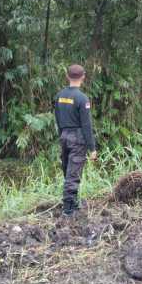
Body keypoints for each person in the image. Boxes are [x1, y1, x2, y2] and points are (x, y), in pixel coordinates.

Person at [53, 64, 97, 216]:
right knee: (73, 174)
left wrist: (61, 135)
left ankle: (73, 203)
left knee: (67, 171)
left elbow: (57, 118)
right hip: (77, 138)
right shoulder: (82, 98)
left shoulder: (60, 95)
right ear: (83, 77)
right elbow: (86, 125)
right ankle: (68, 210)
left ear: (67, 76)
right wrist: (92, 148)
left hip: (64, 135)